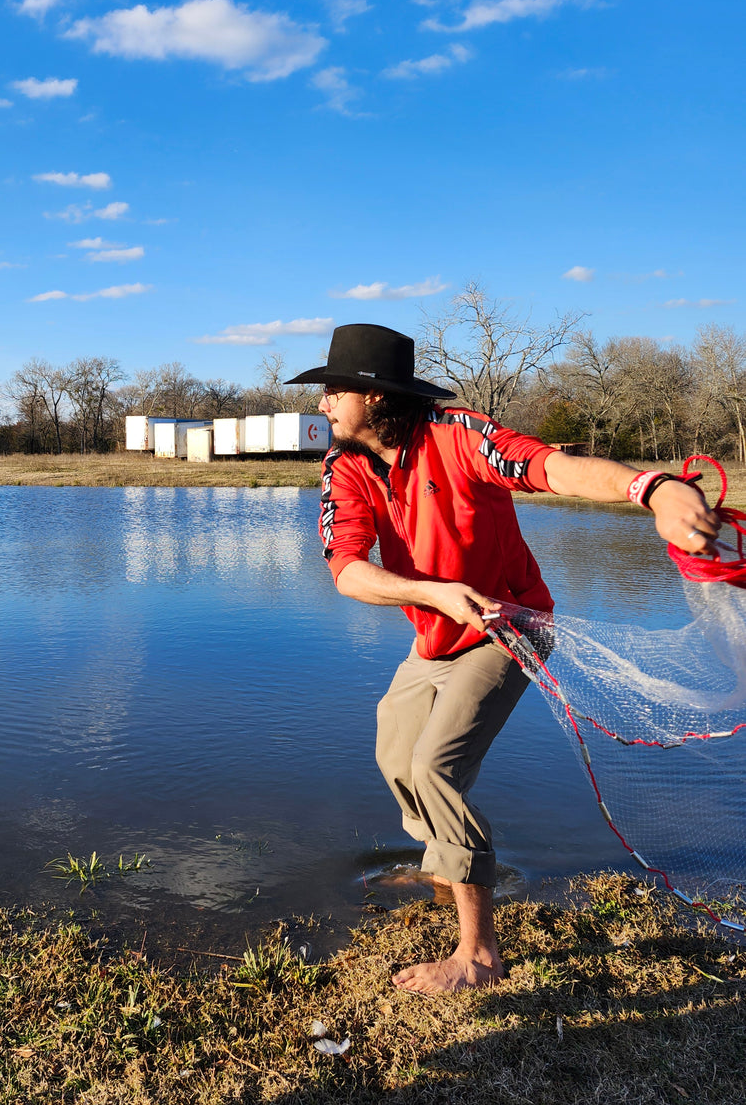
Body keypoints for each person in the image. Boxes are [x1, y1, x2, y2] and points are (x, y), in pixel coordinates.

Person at [285, 323, 720, 995]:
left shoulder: (457, 434)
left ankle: (480, 954)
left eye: (333, 391)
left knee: (435, 768)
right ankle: (445, 864)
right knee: (395, 752)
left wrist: (653, 489)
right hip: (438, 631)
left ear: (374, 397)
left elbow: (551, 467)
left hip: (510, 625)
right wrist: (431, 593)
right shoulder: (345, 465)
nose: (322, 405)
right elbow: (345, 569)